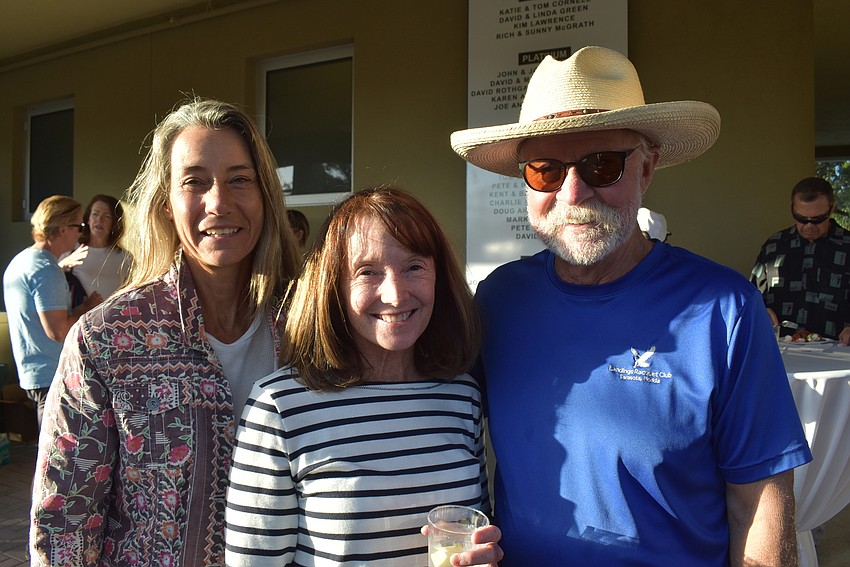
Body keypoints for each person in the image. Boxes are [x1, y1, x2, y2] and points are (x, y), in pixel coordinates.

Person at [450, 46, 812, 565]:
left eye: (602, 165)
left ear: (647, 169)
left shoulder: (724, 309)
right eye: (545, 171)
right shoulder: (499, 299)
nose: (573, 192)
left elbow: (759, 508)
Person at [30, 98, 302, 566]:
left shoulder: (308, 325)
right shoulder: (106, 340)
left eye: (240, 179)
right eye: (194, 182)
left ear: (265, 197)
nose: (219, 202)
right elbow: (64, 521)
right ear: (165, 204)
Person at [224, 186, 502, 566]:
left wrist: (482, 555)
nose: (395, 294)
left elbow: (471, 530)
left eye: (414, 267)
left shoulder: (460, 395)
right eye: (367, 272)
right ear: (333, 286)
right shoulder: (279, 407)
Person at [3, 196, 103, 429]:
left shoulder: (23, 260)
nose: (80, 233)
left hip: (33, 373)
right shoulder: (47, 269)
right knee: (57, 458)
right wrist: (88, 309)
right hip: (52, 375)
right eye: (79, 226)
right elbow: (58, 331)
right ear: (62, 229)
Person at [751, 176, 850, 343]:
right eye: (801, 218)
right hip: (781, 348)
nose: (809, 226)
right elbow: (752, 295)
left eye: (817, 219)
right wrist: (762, 310)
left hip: (838, 351)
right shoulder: (775, 245)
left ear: (831, 209)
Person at [59, 194, 131, 304]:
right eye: (95, 214)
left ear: (114, 223)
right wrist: (64, 264)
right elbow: (50, 278)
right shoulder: (72, 250)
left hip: (113, 319)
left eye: (106, 216)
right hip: (80, 318)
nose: (99, 220)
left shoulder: (125, 257)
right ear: (88, 219)